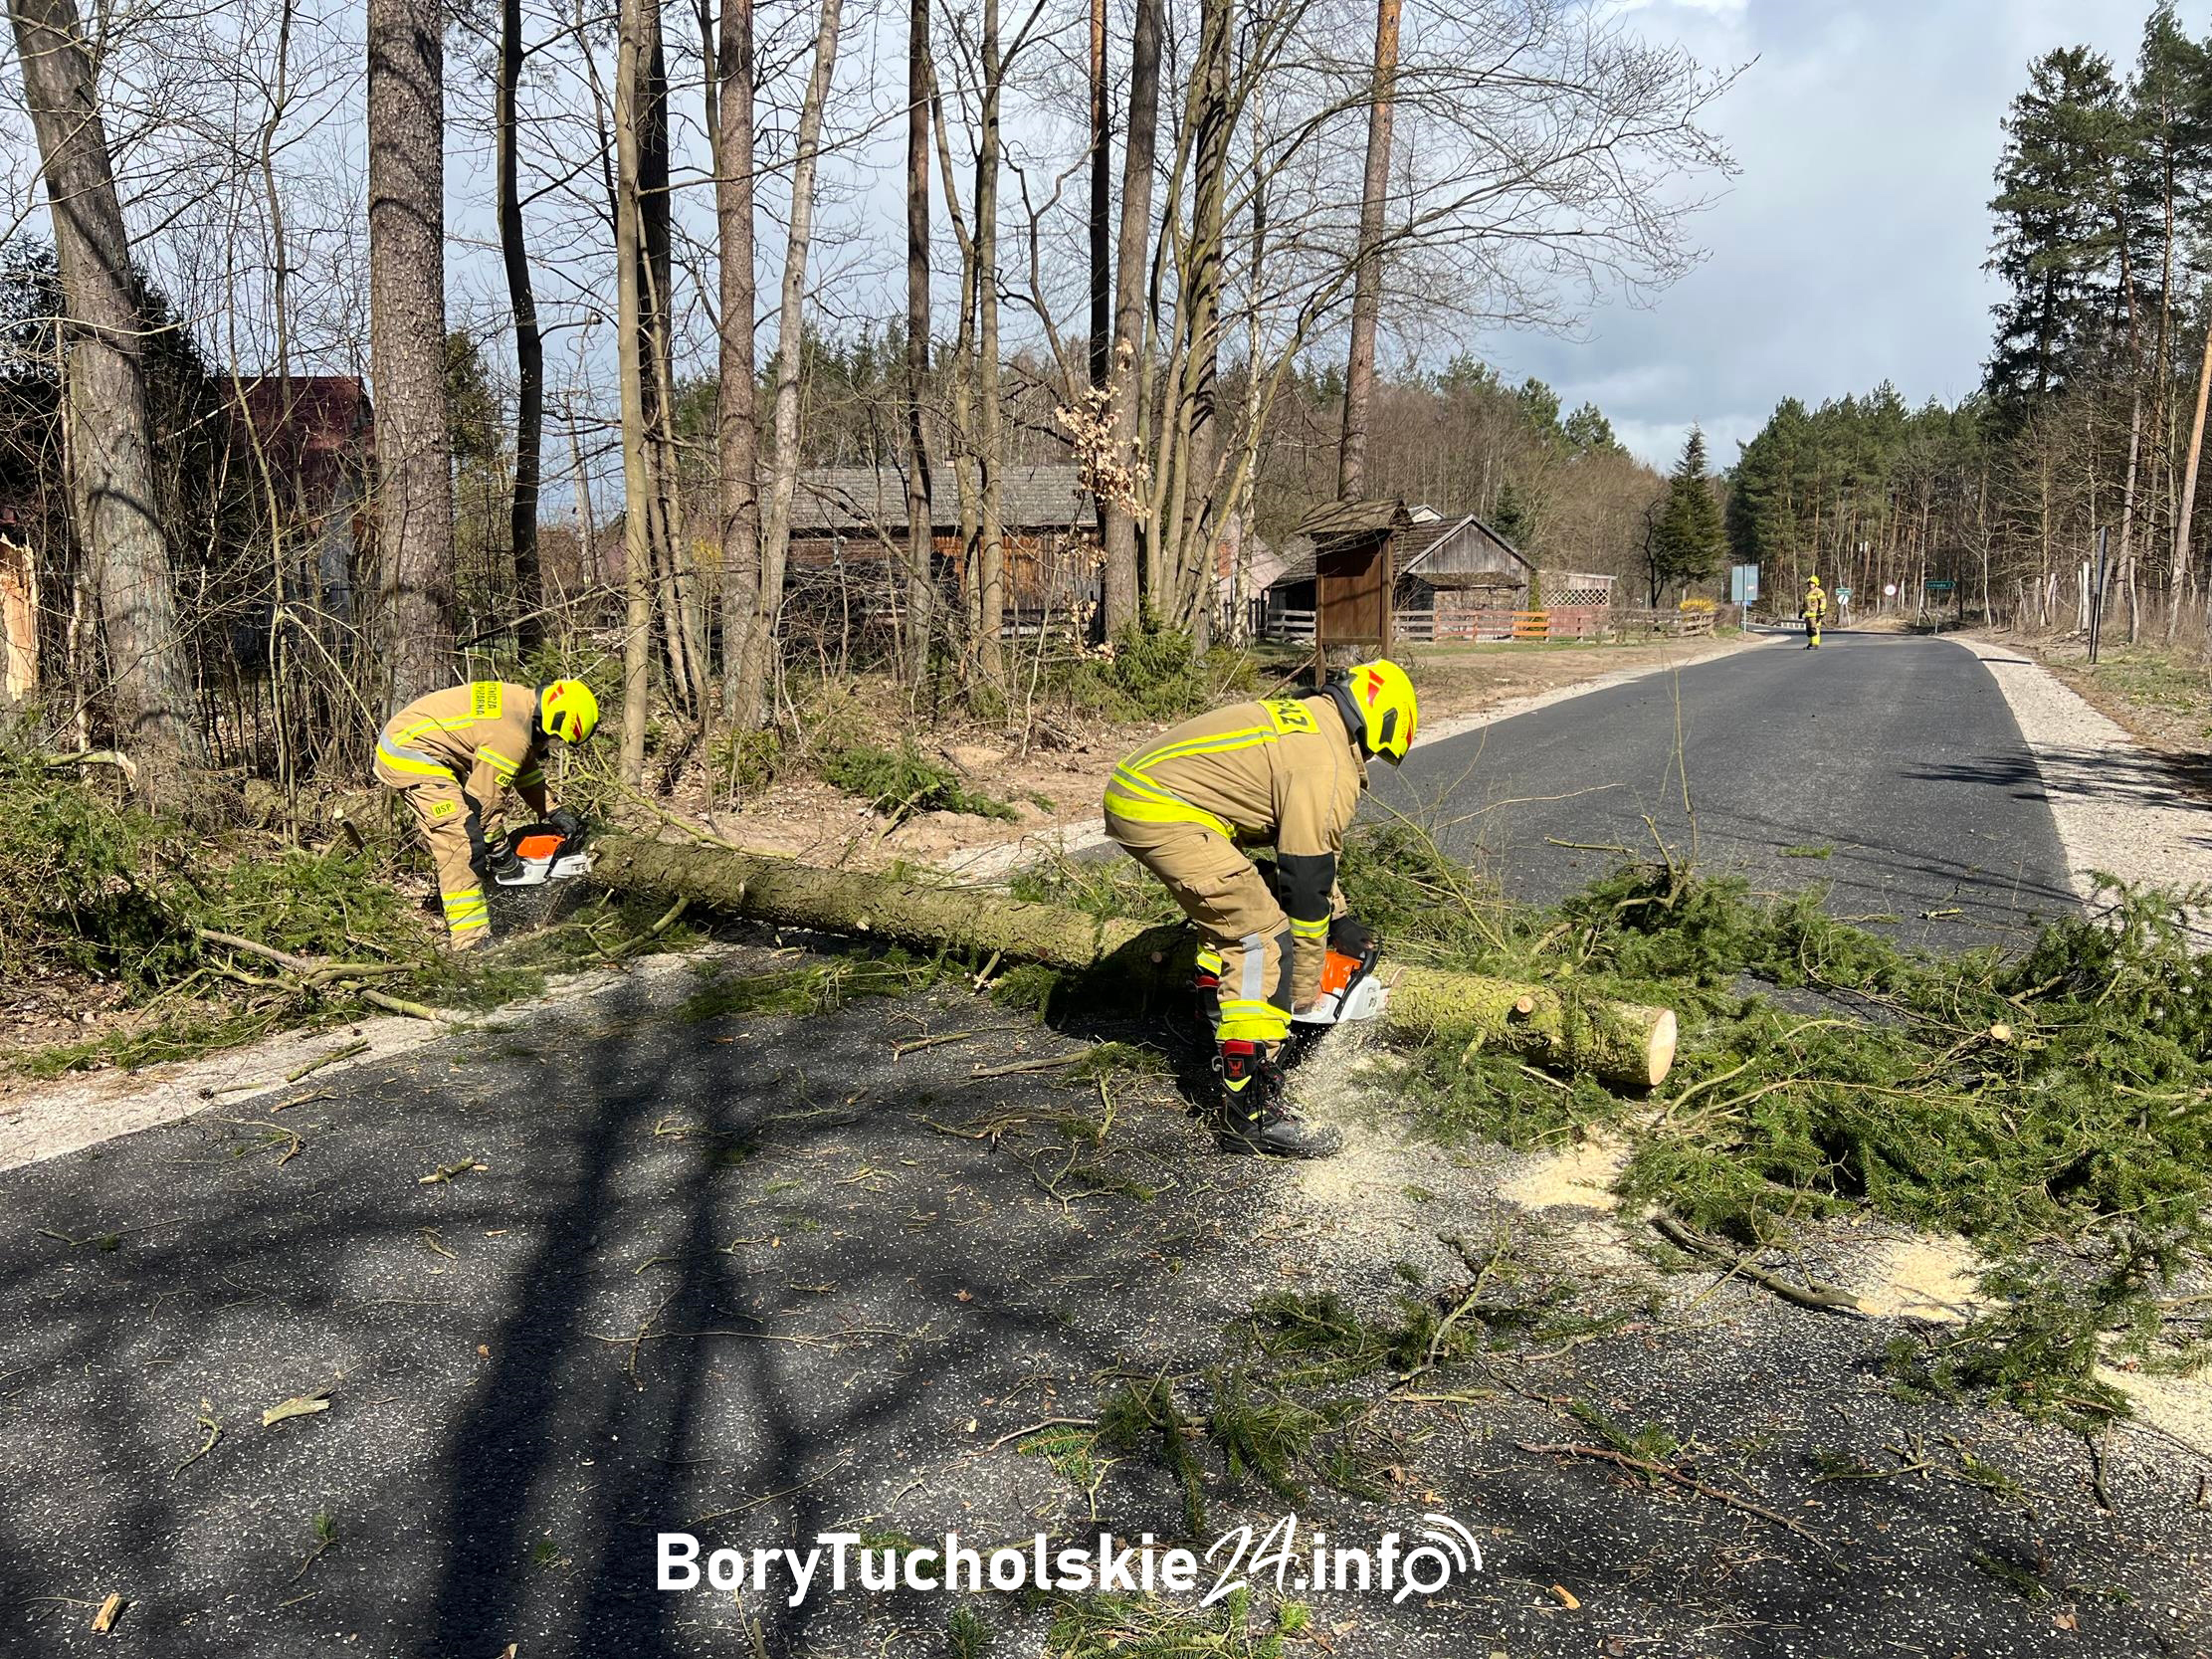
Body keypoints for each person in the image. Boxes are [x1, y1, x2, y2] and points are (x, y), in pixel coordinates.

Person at [1103, 660, 1418, 1157]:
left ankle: (1218, 1012)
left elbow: (1304, 861)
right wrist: (1306, 987)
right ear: (1379, 726)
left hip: (1147, 794)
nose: (1368, 761)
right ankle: (1249, 1110)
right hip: (1161, 811)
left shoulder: (1309, 723)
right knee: (1258, 936)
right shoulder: (1328, 764)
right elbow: (1306, 881)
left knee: (1250, 903)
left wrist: (1341, 916)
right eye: (1374, 754)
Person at [374, 678, 600, 950]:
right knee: (460, 842)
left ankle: (479, 900)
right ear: (554, 720)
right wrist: (502, 852)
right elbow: (486, 802)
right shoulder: (511, 735)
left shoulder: (521, 705)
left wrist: (552, 810)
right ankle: (471, 943)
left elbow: (523, 770)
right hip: (409, 753)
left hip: (419, 743)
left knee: (471, 836)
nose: (552, 746)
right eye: (557, 741)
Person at [1801, 575, 1827, 649]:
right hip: (1808, 615)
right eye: (1809, 583)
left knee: (1814, 629)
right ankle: (1811, 643)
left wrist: (1822, 610)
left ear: (1816, 584)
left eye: (1812, 583)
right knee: (1810, 630)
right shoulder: (1808, 592)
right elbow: (1806, 604)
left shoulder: (1819, 592)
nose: (1810, 585)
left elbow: (1823, 601)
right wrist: (1802, 610)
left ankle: (1815, 644)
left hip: (1816, 614)